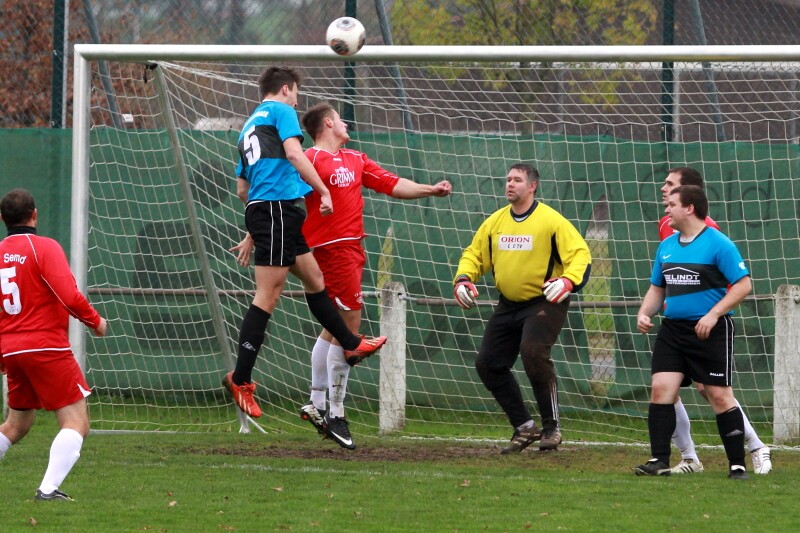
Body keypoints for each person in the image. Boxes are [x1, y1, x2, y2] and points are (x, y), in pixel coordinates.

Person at [224, 67, 386, 420]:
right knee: (268, 296)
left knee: (315, 280)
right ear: (285, 89)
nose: (297, 101)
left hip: (276, 211)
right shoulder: (281, 111)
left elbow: (242, 188)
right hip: (276, 210)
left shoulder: (249, 125)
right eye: (296, 92)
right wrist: (323, 190)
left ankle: (351, 343)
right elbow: (296, 155)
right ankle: (241, 379)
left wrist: (256, 224)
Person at [292, 102, 452, 449]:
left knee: (334, 328)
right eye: (341, 119)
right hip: (332, 249)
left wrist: (429, 189)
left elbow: (392, 184)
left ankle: (317, 402)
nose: (346, 124)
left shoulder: (355, 159)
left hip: (350, 249)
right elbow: (281, 194)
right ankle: (335, 413)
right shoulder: (309, 159)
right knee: (349, 332)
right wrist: (255, 232)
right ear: (328, 123)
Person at [451, 164, 591, 453]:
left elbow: (581, 255)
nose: (510, 184)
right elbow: (474, 255)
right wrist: (463, 278)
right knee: (488, 364)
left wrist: (567, 280)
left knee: (533, 352)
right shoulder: (495, 222)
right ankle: (525, 427)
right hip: (508, 304)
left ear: (532, 186)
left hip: (544, 301)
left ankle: (551, 428)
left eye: (517, 180)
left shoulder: (551, 221)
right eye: (508, 179)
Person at [658, 167, 771, 475]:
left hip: (705, 321)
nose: (663, 189)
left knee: (712, 390)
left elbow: (730, 281)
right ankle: (689, 457)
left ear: (688, 197)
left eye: (670, 185)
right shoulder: (667, 225)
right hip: (676, 322)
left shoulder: (710, 232)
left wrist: (713, 312)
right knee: (666, 388)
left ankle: (756, 446)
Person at [634, 185, 751, 479]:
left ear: (689, 208)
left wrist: (713, 314)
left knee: (719, 395)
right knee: (661, 388)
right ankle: (659, 460)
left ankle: (737, 464)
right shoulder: (667, 246)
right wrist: (645, 312)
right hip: (673, 331)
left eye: (671, 204)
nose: (666, 210)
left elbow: (743, 285)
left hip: (709, 331)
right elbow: (657, 288)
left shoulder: (719, 244)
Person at [0, 188, 108, 501]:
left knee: (17, 423)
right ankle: (47, 490)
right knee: (76, 421)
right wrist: (96, 321)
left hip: (12, 349)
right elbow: (69, 296)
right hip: (46, 346)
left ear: (3, 219)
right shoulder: (44, 247)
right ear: (35, 214)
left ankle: (48, 489)